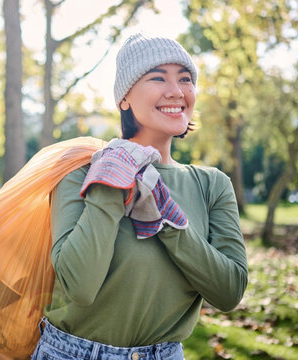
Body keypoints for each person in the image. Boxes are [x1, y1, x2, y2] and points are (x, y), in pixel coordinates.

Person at [31, 33, 248, 360]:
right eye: (157, 77)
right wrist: (109, 183)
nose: (176, 91)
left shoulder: (212, 185)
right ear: (124, 99)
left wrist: (167, 217)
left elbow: (229, 292)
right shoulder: (80, 171)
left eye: (185, 79)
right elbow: (81, 287)